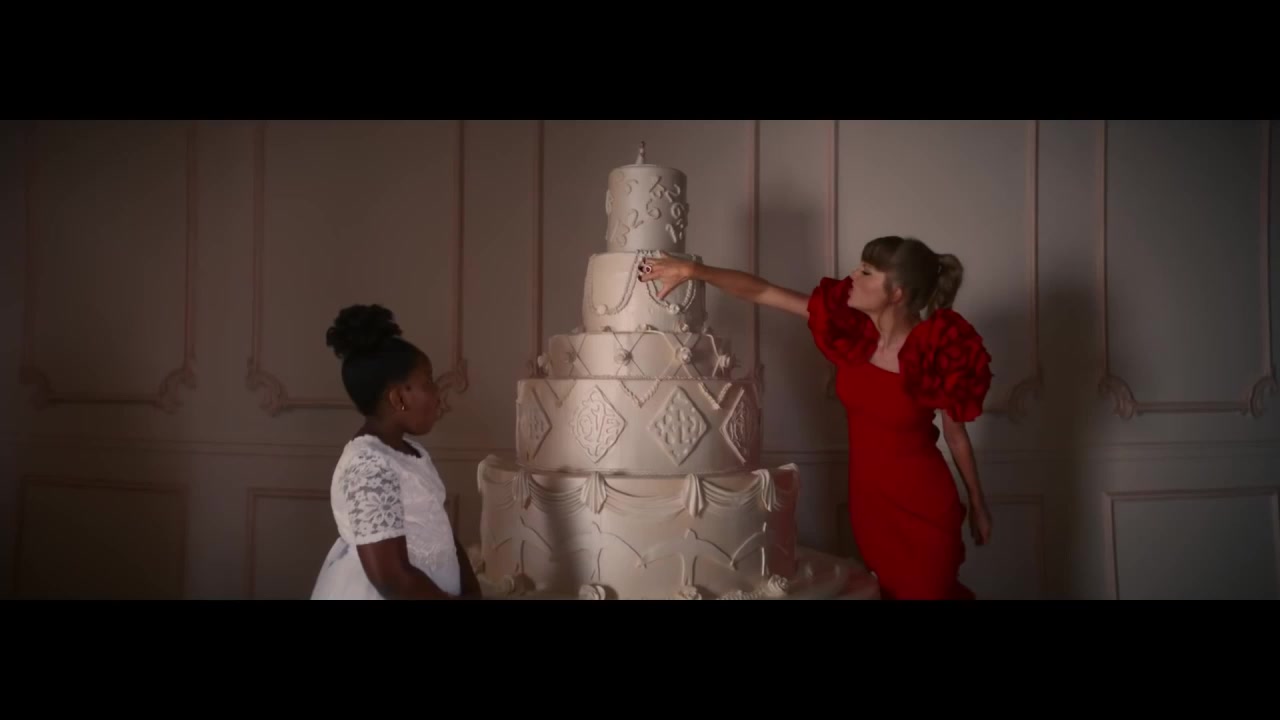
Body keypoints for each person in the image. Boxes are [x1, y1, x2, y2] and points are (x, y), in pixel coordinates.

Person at [639, 235, 994, 600]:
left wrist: (978, 505)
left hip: (924, 504)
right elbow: (763, 292)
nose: (852, 275)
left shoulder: (939, 348)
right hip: (871, 506)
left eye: (867, 271)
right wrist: (694, 271)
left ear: (896, 293)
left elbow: (956, 437)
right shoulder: (852, 330)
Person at [310, 304, 482, 600]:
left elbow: (439, 529)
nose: (437, 394)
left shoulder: (410, 453)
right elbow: (393, 578)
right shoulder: (368, 465)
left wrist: (470, 589)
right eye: (428, 381)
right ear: (399, 397)